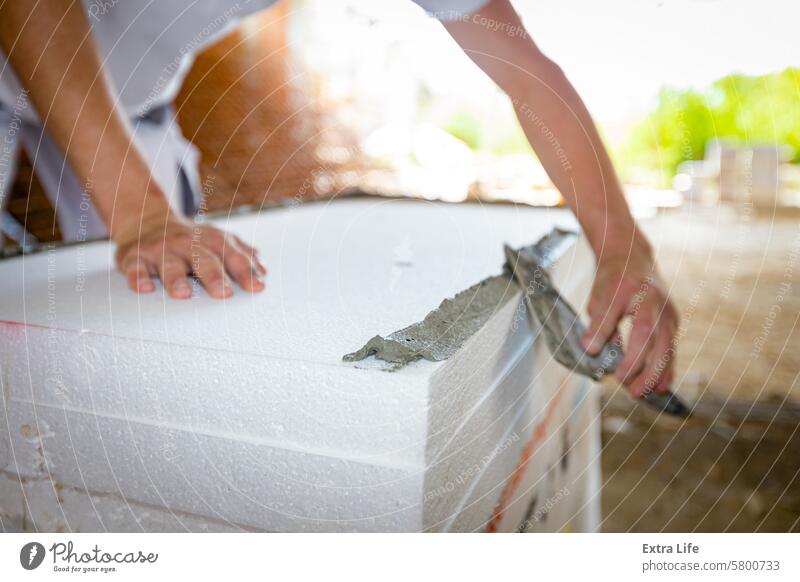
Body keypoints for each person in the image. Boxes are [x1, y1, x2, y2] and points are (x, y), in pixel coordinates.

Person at [0, 0, 678, 398]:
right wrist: (145, 214)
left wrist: (624, 244)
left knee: (163, 312)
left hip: (135, 104)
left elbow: (530, 80)